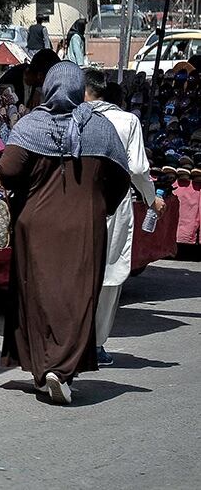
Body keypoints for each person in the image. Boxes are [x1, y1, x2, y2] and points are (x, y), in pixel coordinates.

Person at [0, 61, 130, 405]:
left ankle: (44, 369)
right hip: (85, 227)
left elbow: (8, 169)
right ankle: (61, 370)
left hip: (35, 226)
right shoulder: (101, 129)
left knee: (37, 295)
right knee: (76, 296)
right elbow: (120, 180)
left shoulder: (32, 124)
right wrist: (99, 205)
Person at [85, 71, 164, 366]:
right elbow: (139, 169)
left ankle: (74, 339)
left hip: (76, 202)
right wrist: (150, 198)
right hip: (114, 204)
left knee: (80, 269)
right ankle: (96, 343)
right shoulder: (127, 121)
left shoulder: (73, 116)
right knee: (110, 273)